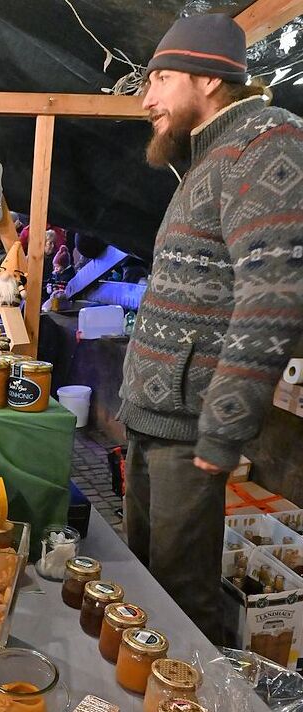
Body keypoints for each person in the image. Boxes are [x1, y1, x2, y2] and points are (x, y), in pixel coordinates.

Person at [118, 13, 303, 643]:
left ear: (210, 79)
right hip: (155, 422)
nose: (147, 99)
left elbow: (274, 295)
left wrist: (222, 433)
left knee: (180, 608)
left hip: (189, 434)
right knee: (144, 591)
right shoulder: (209, 158)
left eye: (160, 79)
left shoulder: (265, 143)